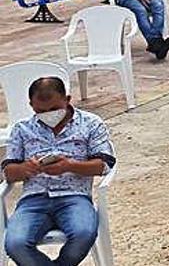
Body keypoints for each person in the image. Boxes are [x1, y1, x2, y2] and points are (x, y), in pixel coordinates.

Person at [3, 76, 115, 266]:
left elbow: (104, 165)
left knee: (83, 234)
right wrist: (26, 169)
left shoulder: (90, 123)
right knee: (15, 244)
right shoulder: (22, 129)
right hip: (34, 199)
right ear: (31, 105)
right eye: (40, 111)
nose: (48, 114)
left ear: (67, 100)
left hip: (74, 197)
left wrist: (69, 165)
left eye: (54, 109)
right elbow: (8, 172)